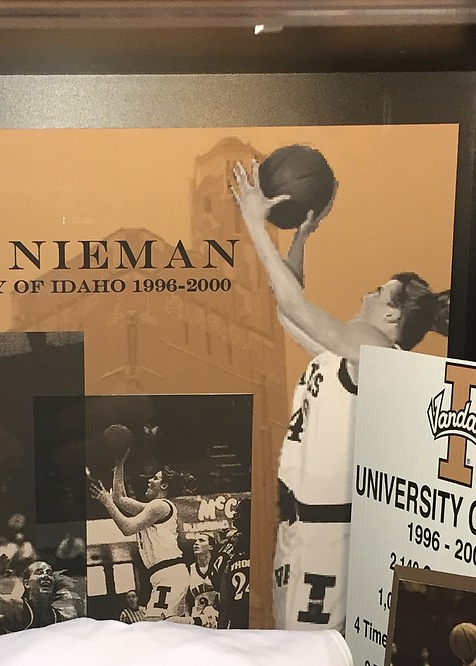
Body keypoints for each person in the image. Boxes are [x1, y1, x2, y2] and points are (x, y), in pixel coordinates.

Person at [230, 161, 449, 634]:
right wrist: (301, 238)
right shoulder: (346, 352)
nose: (365, 294)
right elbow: (290, 312)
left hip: (328, 536)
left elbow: (294, 305)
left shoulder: (374, 352)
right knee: (291, 647)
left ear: (391, 319)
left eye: (378, 292)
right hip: (301, 529)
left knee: (310, 658)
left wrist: (252, 220)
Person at [88, 444, 191, 619]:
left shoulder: (159, 506)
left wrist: (107, 504)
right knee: (170, 626)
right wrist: (120, 463)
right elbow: (120, 498)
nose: (150, 480)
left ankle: (198, 621)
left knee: (152, 623)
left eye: (155, 479)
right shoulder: (154, 507)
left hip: (169, 574)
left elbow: (127, 528)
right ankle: (193, 621)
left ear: (164, 485)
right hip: (165, 574)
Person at [0, 560, 81, 633]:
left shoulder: (60, 616)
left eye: (49, 573)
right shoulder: (16, 607)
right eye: (39, 572)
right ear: (26, 584)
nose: (46, 576)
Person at [209, 496, 252, 629]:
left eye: (239, 511)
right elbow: (224, 595)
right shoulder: (232, 545)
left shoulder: (263, 544)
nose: (234, 514)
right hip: (236, 614)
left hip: (254, 613)